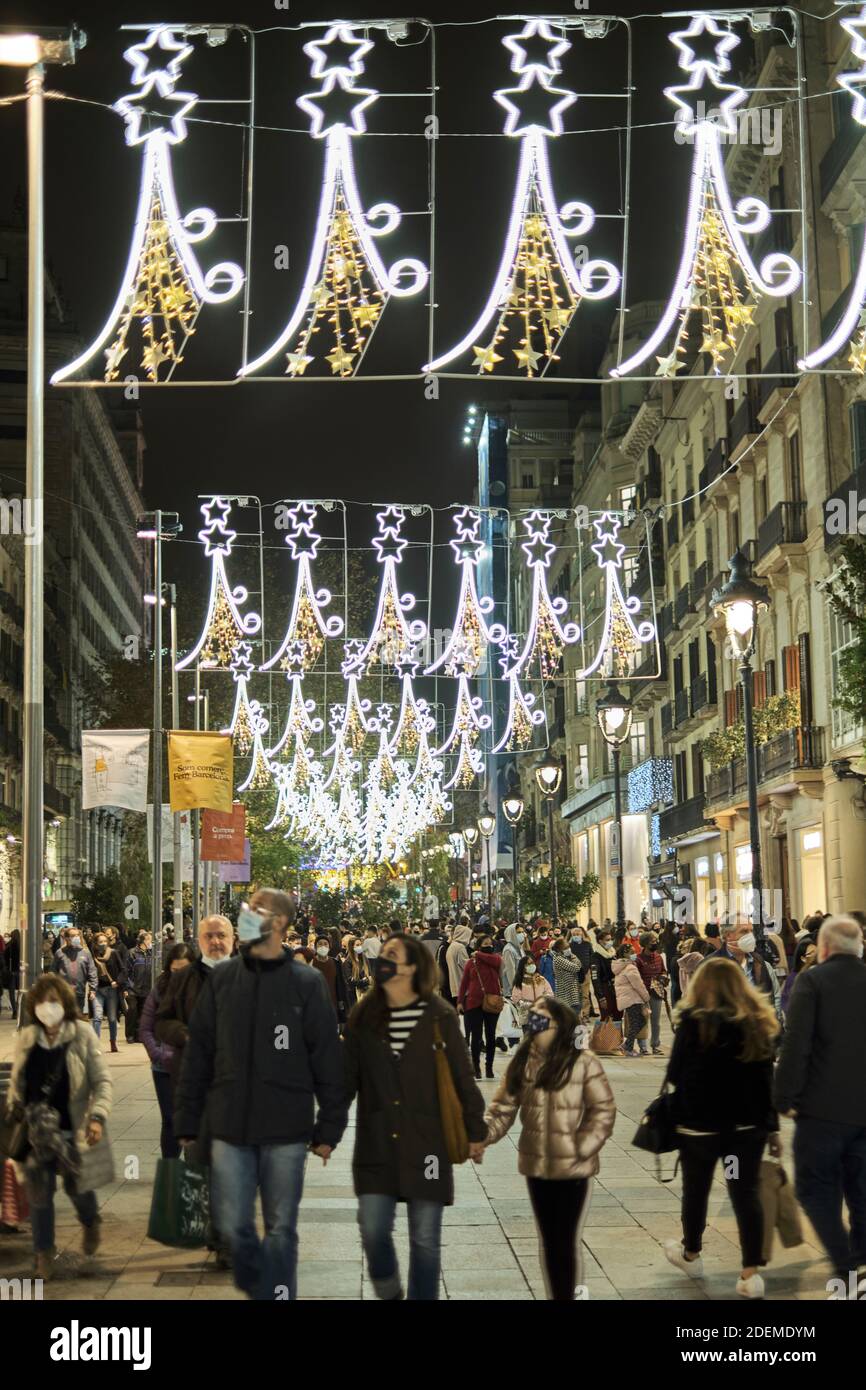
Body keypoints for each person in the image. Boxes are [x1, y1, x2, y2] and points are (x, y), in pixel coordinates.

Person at [174, 888, 348, 1302]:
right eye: (247, 909)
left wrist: (329, 1128)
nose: (247, 915)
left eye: (256, 911)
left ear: (280, 924)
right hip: (229, 1123)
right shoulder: (224, 979)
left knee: (281, 1225)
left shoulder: (305, 983)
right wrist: (186, 1118)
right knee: (234, 1224)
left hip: (285, 1126)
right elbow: (199, 1052)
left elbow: (327, 1059)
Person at [343, 932, 486, 1300]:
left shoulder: (439, 1016)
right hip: (377, 1141)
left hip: (428, 1144)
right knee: (373, 1231)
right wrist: (326, 1130)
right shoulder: (365, 1014)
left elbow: (461, 1076)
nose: (383, 960)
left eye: (392, 955)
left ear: (412, 967)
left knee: (424, 1240)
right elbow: (345, 1079)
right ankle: (390, 1293)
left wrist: (475, 1130)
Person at [483, 996, 616, 1301]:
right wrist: (481, 1137)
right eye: (533, 1021)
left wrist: (582, 1146)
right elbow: (502, 1108)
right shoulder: (522, 1061)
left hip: (573, 1168)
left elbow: (603, 1110)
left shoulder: (584, 1062)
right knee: (549, 1239)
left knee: (565, 1239)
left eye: (541, 1021)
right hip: (536, 1166)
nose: (535, 1026)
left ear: (560, 1026)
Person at [663, 957, 781, 1299]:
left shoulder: (692, 1023)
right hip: (744, 1130)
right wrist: (772, 1129)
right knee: (744, 1192)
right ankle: (749, 1274)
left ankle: (692, 1254)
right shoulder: (757, 1025)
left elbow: (674, 1074)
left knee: (696, 1190)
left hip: (700, 1130)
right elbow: (765, 1083)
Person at [774, 915, 866, 1296]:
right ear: (859, 947)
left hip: (822, 1113)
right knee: (862, 1192)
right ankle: (861, 1260)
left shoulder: (812, 982)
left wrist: (783, 1097)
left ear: (823, 949)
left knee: (815, 1189)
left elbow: (797, 1046)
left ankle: (845, 1262)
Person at [6, 974, 112, 1279]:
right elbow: (18, 1082)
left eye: (53, 1001)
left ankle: (90, 1221)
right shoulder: (28, 1037)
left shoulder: (81, 1034)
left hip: (71, 1128)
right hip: (36, 1132)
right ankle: (43, 1255)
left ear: (64, 1003)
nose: (47, 1007)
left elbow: (102, 1079)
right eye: (41, 1001)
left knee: (79, 1188)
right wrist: (16, 1107)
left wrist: (98, 1117)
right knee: (40, 1197)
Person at [154, 914, 233, 1097]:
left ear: (232, 939)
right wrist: (186, 1036)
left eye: (221, 935)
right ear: (199, 941)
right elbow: (162, 1021)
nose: (215, 941)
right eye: (208, 936)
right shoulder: (183, 978)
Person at [139, 943, 196, 1159]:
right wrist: (159, 1054)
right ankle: (171, 1173)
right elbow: (145, 1029)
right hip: (164, 1068)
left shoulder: (203, 988)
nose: (180, 976)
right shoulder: (160, 990)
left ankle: (194, 1173)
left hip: (194, 1067)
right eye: (175, 971)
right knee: (171, 1121)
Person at [703, 920, 779, 1011]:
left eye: (751, 931)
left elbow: (773, 997)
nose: (750, 936)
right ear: (728, 935)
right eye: (744, 931)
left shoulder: (760, 962)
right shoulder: (711, 966)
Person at [457, 932, 503, 1080]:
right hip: (473, 1003)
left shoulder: (495, 959)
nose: (488, 946)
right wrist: (459, 1001)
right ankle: (476, 1067)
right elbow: (464, 983)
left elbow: (496, 962)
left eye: (490, 944)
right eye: (485, 945)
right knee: (476, 1037)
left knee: (491, 1037)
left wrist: (478, 954)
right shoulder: (471, 963)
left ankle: (489, 1067)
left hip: (492, 1002)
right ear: (478, 946)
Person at [90, 930, 126, 1052]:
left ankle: (113, 1042)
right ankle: (96, 1044)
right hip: (97, 989)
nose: (103, 944)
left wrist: (118, 982)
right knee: (97, 1017)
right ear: (95, 943)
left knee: (111, 1018)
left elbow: (123, 969)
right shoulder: (92, 955)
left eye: (105, 941)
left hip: (111, 989)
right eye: (100, 942)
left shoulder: (114, 953)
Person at [612, 943, 650, 1056]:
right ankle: (627, 1047)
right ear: (625, 954)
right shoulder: (630, 967)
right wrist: (646, 997)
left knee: (637, 1022)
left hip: (627, 999)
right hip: (633, 998)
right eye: (632, 952)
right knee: (637, 1022)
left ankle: (627, 1045)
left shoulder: (620, 966)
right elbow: (638, 985)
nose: (635, 954)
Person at [52, 928, 97, 1017]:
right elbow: (53, 971)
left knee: (77, 1017)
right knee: (64, 1018)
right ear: (66, 938)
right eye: (73, 936)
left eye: (78, 935)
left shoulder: (85, 953)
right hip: (63, 992)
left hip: (79, 991)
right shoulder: (60, 953)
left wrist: (93, 989)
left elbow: (92, 971)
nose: (76, 938)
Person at [636, 932, 668, 1056]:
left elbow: (663, 971)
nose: (655, 943)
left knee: (656, 1021)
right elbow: (636, 976)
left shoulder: (658, 957)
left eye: (655, 940)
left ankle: (655, 1045)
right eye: (652, 941)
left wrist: (663, 977)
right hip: (642, 993)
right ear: (645, 943)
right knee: (643, 1020)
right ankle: (643, 1046)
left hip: (656, 993)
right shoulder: (638, 959)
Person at [510, 952, 553, 1033]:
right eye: (528, 964)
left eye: (532, 963)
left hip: (542, 1015)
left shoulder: (541, 979)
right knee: (529, 1042)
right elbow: (516, 999)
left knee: (542, 1041)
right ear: (523, 967)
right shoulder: (519, 982)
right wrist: (531, 1005)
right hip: (527, 1017)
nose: (531, 965)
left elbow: (550, 993)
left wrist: (542, 1001)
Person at [312, 934, 349, 1023]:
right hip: (315, 1005)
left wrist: (341, 1002)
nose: (323, 946)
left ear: (329, 947)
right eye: (320, 944)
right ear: (315, 947)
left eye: (325, 944)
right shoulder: (311, 962)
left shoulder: (335, 962)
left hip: (333, 1004)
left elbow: (340, 983)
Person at [124, 932, 152, 1043]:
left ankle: (138, 1035)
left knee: (142, 1012)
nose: (151, 942)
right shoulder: (132, 953)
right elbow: (126, 971)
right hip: (133, 988)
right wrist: (127, 987)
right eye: (149, 939)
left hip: (147, 988)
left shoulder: (152, 953)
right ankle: (130, 1035)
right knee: (132, 1010)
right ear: (143, 941)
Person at [780, 939, 817, 1015]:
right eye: (812, 953)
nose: (816, 956)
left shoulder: (817, 973)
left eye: (816, 952)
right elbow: (788, 1006)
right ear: (803, 958)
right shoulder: (794, 979)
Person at [590, 927, 619, 1021]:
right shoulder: (596, 956)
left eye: (611, 939)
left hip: (615, 988)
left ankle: (618, 1036)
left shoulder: (613, 953)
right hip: (605, 989)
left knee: (617, 1015)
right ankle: (607, 1036)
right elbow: (595, 978)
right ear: (600, 941)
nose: (610, 942)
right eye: (607, 940)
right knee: (607, 1017)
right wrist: (600, 996)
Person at [445, 919, 472, 1013]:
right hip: (463, 988)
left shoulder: (452, 946)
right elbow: (467, 966)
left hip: (455, 987)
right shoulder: (460, 947)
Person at [569, 925, 594, 1020]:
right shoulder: (569, 946)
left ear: (582, 934)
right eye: (574, 934)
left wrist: (590, 968)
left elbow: (592, 956)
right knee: (575, 995)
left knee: (585, 995)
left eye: (578, 934)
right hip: (573, 973)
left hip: (586, 972)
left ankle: (585, 1015)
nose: (576, 935)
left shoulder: (587, 944)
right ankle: (576, 1015)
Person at [550, 937, 583, 1010]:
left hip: (573, 991)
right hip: (565, 995)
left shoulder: (565, 957)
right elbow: (576, 968)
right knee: (570, 1017)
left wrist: (572, 957)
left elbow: (579, 965)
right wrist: (573, 956)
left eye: (568, 947)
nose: (568, 949)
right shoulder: (558, 959)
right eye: (566, 947)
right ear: (559, 949)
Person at [500, 923, 525, 999]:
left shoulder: (519, 948)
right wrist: (516, 991)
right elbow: (511, 973)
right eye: (518, 932)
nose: (521, 934)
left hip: (521, 987)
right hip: (512, 992)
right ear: (512, 934)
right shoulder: (509, 950)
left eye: (522, 932)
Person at [1, 928, 21, 1016]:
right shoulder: (23, 946)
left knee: (12, 992)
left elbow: (5, 959)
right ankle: (19, 1007)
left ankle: (14, 1010)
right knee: (21, 991)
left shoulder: (9, 946)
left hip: (11, 972)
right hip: (21, 972)